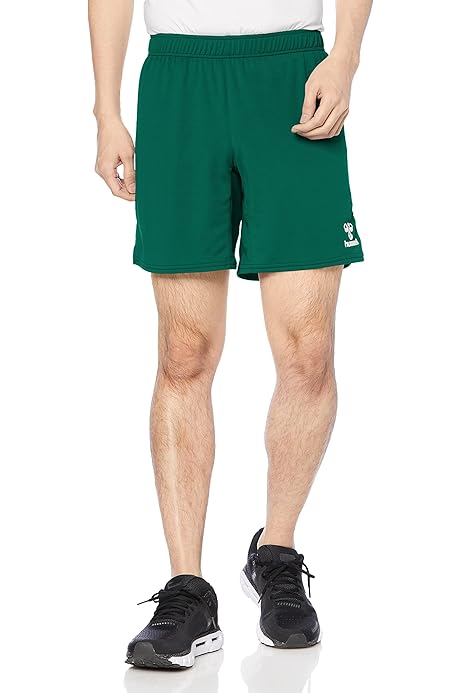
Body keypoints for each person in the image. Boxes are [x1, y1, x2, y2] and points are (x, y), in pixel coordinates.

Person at [89, 0, 372, 670]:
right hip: (180, 78)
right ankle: (187, 590)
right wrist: (106, 112)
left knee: (308, 350)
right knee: (184, 352)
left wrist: (346, 54)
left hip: (292, 72)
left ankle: (276, 554)